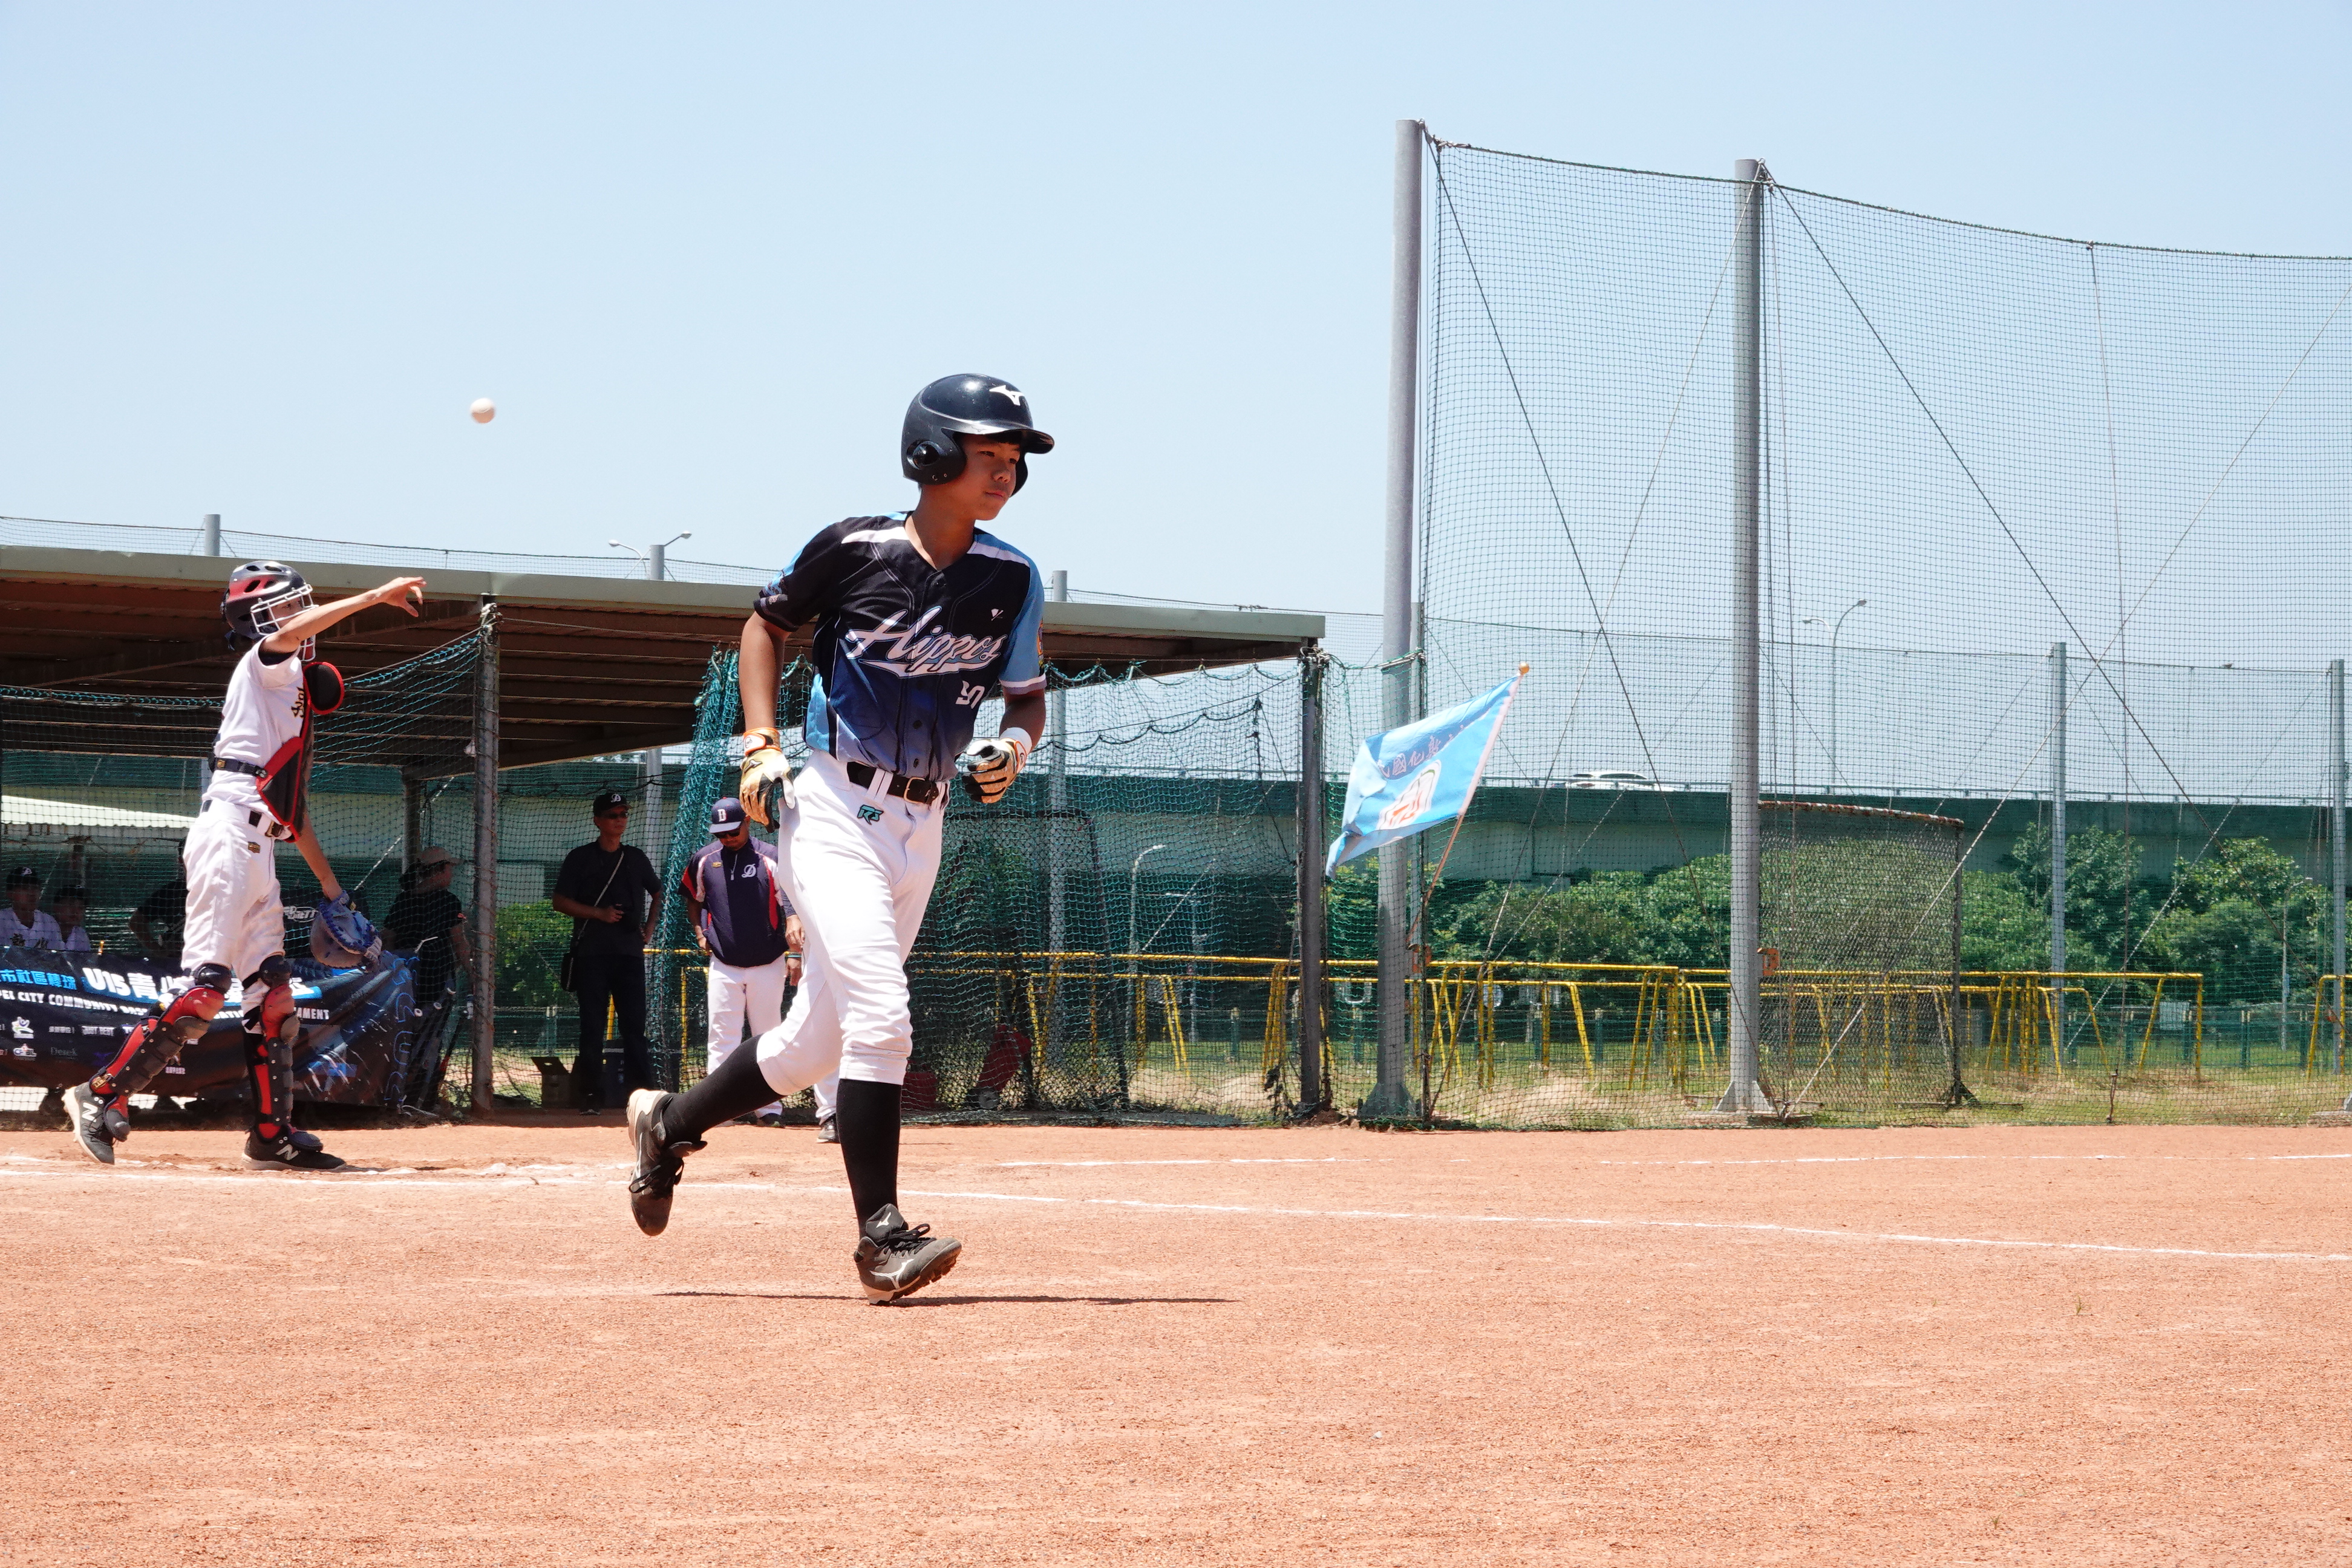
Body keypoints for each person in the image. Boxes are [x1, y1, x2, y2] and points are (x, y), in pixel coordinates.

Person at [624, 373, 1051, 1303]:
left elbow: (1026, 699)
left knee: (811, 1046)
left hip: (925, 821)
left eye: (1014, 460)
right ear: (930, 455)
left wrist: (1015, 748)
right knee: (882, 1014)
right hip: (830, 806)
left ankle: (670, 1125)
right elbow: (765, 627)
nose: (1005, 474)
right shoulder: (855, 549)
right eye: (987, 455)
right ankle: (881, 1238)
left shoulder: (1012, 577)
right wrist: (760, 742)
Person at [63, 561, 423, 1169]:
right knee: (205, 990)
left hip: (263, 847)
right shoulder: (263, 661)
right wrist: (375, 597)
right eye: (285, 608)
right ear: (256, 621)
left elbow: (293, 811)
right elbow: (288, 636)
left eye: (299, 606)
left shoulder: (292, 696)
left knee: (274, 996)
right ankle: (99, 1094)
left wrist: (334, 891)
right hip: (228, 834)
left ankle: (270, 1135)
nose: (297, 618)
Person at [681, 797, 818, 1129]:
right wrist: (700, 934)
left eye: (733, 831)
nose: (728, 838)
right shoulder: (704, 859)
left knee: (767, 1035)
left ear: (747, 822)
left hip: (767, 962)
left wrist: (794, 954)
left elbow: (791, 905)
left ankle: (768, 1108)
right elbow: (693, 898)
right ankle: (717, 1108)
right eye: (721, 834)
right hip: (724, 962)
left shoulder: (771, 857)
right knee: (721, 1035)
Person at [550, 789, 661, 1115]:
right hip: (592, 955)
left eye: (624, 814)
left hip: (629, 954)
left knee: (634, 1027)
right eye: (613, 815)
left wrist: (649, 928)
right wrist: (599, 913)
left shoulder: (636, 857)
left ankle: (643, 1096)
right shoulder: (580, 857)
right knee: (592, 1026)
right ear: (597, 820)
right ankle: (589, 1096)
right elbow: (560, 901)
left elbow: (658, 891)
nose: (620, 820)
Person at [385, 848, 472, 1006]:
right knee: (430, 1019)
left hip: (405, 979)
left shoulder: (403, 900)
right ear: (439, 870)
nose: (451, 874)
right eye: (449, 869)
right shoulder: (448, 901)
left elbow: (387, 939)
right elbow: (459, 943)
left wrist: (391, 971)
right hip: (436, 980)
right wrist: (473, 976)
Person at [129, 870, 188, 965]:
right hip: (176, 963)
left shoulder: (215, 891)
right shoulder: (173, 891)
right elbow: (136, 923)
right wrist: (160, 952)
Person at [1, 866, 63, 950]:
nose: (32, 893)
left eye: (35, 888)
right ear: (10, 893)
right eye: (25, 888)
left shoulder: (49, 923)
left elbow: (58, 956)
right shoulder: (2, 921)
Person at [50, 886, 95, 954]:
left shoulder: (81, 935)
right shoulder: (43, 929)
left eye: (80, 907)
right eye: (70, 905)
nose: (75, 911)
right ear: (56, 907)